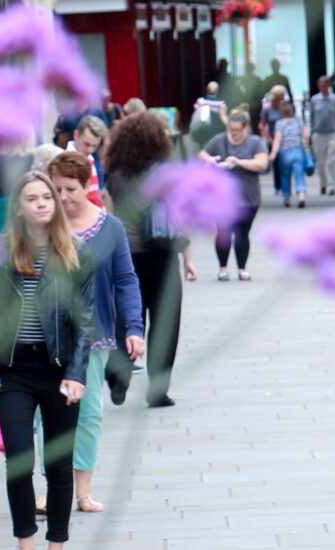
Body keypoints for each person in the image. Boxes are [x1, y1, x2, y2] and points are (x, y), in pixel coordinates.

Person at [0, 172, 98, 550]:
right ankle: (26, 543)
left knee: (58, 467)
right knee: (19, 462)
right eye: (32, 198)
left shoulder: (76, 252)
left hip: (59, 369)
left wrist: (77, 374)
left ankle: (56, 544)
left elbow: (86, 322)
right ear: (19, 208)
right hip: (14, 372)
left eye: (48, 196)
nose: (42, 203)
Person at [51, 152, 146, 514]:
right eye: (55, 188)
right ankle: (51, 489)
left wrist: (134, 328)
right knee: (49, 415)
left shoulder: (110, 227)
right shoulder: (42, 228)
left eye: (70, 189)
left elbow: (126, 280)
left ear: (87, 185)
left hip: (95, 335)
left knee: (88, 413)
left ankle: (83, 490)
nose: (62, 197)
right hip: (50, 337)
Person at [103, 112, 194, 407]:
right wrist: (187, 255)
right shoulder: (164, 171)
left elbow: (111, 208)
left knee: (128, 318)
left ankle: (119, 375)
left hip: (125, 254)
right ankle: (157, 389)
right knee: (165, 322)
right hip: (162, 254)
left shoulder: (114, 171)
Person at [201, 110, 271, 282]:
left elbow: (262, 163)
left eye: (238, 130)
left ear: (246, 128)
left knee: (242, 233)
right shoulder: (220, 140)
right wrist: (209, 160)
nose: (234, 134)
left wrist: (238, 162)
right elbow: (201, 152)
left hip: (248, 197)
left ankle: (242, 268)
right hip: (221, 197)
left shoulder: (256, 142)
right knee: (223, 231)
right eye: (231, 130)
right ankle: (223, 268)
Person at [307, 76, 335, 196]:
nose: (323, 88)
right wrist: (311, 132)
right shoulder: (315, 100)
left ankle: (332, 185)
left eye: (325, 86)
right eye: (321, 86)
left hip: (332, 132)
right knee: (321, 162)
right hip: (318, 133)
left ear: (329, 86)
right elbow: (311, 117)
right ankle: (323, 183)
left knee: (332, 160)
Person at [272, 101, 310, 208]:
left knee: (285, 176)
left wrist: (274, 153)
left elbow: (277, 139)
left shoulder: (279, 123)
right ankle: (301, 196)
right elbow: (306, 136)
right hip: (298, 151)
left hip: (285, 153)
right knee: (299, 175)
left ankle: (287, 198)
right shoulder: (299, 122)